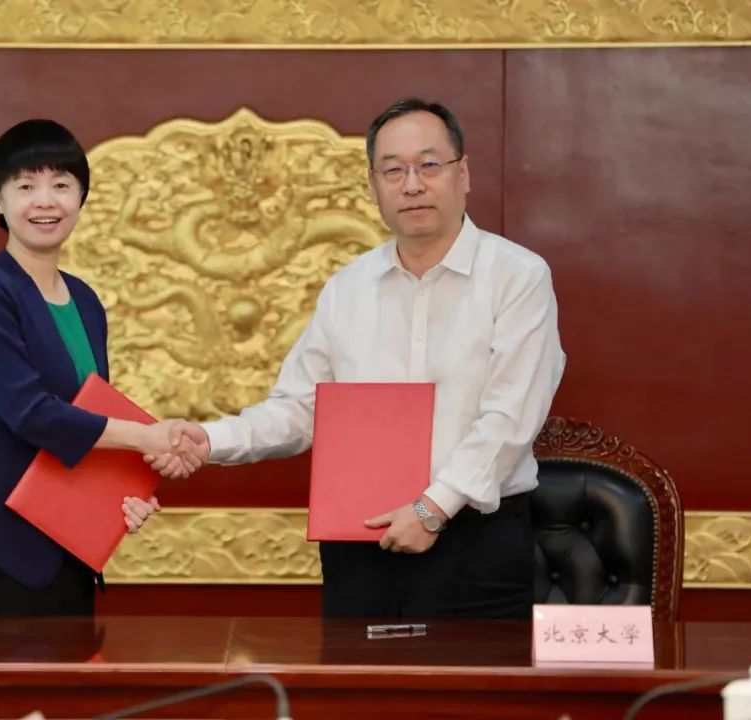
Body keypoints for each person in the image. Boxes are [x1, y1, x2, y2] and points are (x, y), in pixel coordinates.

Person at [150, 98, 565, 619]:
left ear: (463, 174)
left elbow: (509, 418)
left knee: (472, 676)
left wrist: (432, 509)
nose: (412, 185)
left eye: (429, 165)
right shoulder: (347, 287)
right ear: (372, 186)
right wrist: (210, 439)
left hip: (475, 543)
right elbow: (300, 409)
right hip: (360, 541)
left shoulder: (517, 277)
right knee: (356, 674)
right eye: (393, 170)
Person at [0, 119, 202, 616]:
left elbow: (87, 416)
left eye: (61, 184)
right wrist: (147, 438)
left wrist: (125, 492)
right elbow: (30, 413)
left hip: (68, 541)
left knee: (71, 669)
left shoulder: (85, 300)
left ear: (81, 197)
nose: (45, 201)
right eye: (25, 186)